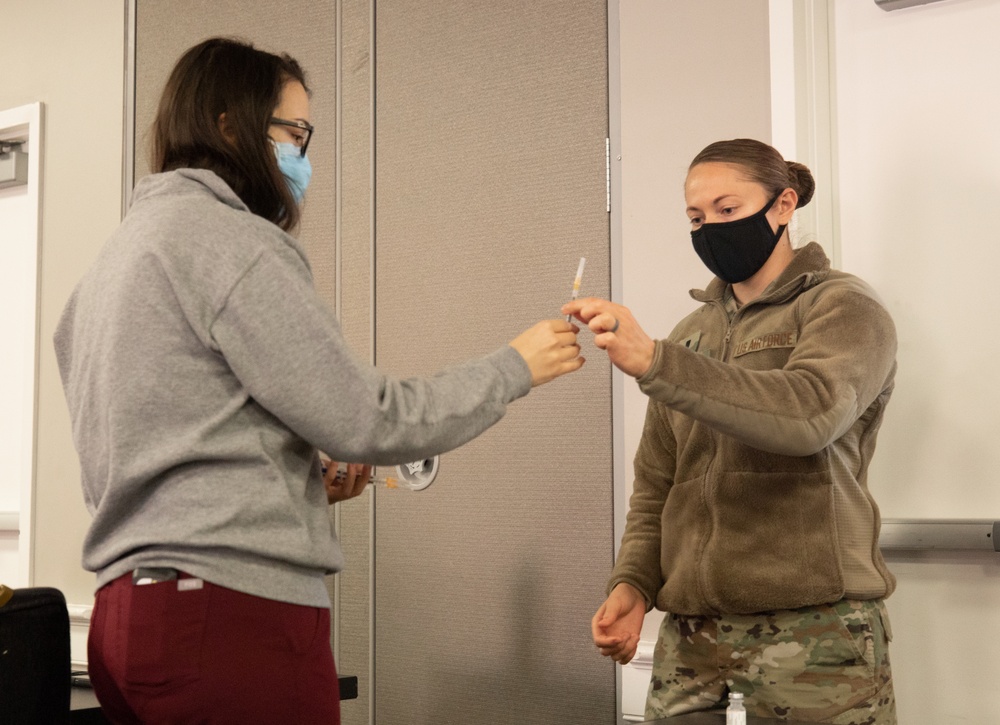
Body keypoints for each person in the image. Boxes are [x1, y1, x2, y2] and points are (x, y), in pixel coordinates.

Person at [54, 37, 583, 724]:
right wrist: (515, 367)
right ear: (230, 126)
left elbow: (171, 445)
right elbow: (368, 418)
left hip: (126, 620)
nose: (301, 157)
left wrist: (293, 481)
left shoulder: (112, 264)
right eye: (293, 133)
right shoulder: (231, 242)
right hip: (227, 620)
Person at [563, 139, 897, 724]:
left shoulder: (843, 307)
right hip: (691, 634)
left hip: (815, 628)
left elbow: (810, 416)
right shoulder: (690, 333)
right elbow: (657, 485)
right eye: (696, 218)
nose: (710, 229)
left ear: (783, 205)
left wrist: (657, 362)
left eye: (727, 209)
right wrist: (633, 584)